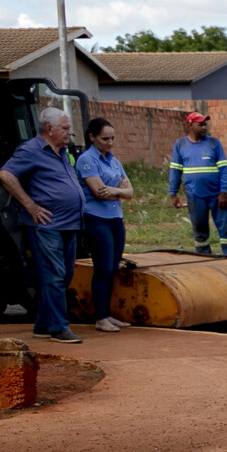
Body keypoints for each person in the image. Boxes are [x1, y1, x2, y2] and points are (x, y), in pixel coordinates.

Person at [0, 107, 86, 343]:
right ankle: (58, 327)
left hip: (69, 223)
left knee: (64, 276)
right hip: (47, 225)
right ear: (49, 129)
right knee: (54, 276)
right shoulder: (31, 150)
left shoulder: (63, 151)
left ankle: (43, 324)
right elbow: (6, 175)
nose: (70, 132)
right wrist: (30, 205)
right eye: (65, 128)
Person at [76, 117, 135, 333]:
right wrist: (119, 191)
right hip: (96, 218)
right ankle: (100, 317)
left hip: (115, 218)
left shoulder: (113, 160)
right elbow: (99, 192)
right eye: (105, 139)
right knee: (103, 268)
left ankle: (108, 314)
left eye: (112, 138)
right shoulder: (86, 160)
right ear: (92, 137)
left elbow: (130, 192)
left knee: (113, 268)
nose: (110, 143)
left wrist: (117, 192)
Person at [167, 112, 227, 256]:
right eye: (200, 124)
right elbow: (175, 170)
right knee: (200, 231)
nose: (204, 127)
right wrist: (173, 193)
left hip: (217, 195)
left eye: (205, 124)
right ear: (190, 125)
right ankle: (204, 257)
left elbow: (223, 168)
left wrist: (223, 192)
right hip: (195, 196)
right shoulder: (180, 145)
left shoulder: (214, 143)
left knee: (226, 228)